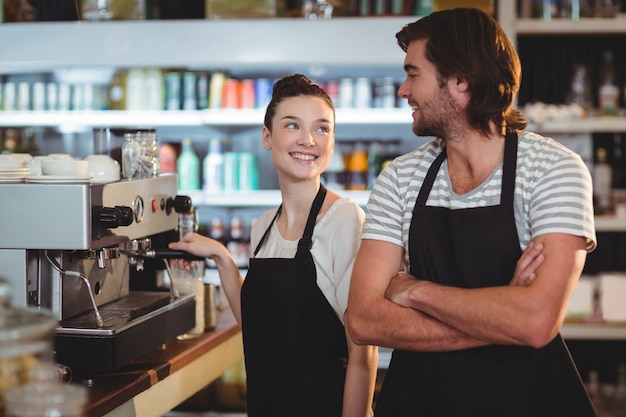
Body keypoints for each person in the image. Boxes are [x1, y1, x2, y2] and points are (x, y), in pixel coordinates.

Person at [345, 7, 598, 417]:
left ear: (460, 81)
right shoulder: (400, 178)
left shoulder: (552, 169)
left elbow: (535, 323)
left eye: (414, 74)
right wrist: (503, 317)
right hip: (419, 403)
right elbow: (363, 320)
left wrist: (414, 291)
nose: (403, 90)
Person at [170, 74, 378, 417]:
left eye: (322, 128)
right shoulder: (263, 227)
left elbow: (363, 350)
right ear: (267, 137)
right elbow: (259, 323)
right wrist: (222, 258)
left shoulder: (345, 219)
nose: (308, 140)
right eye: (292, 125)